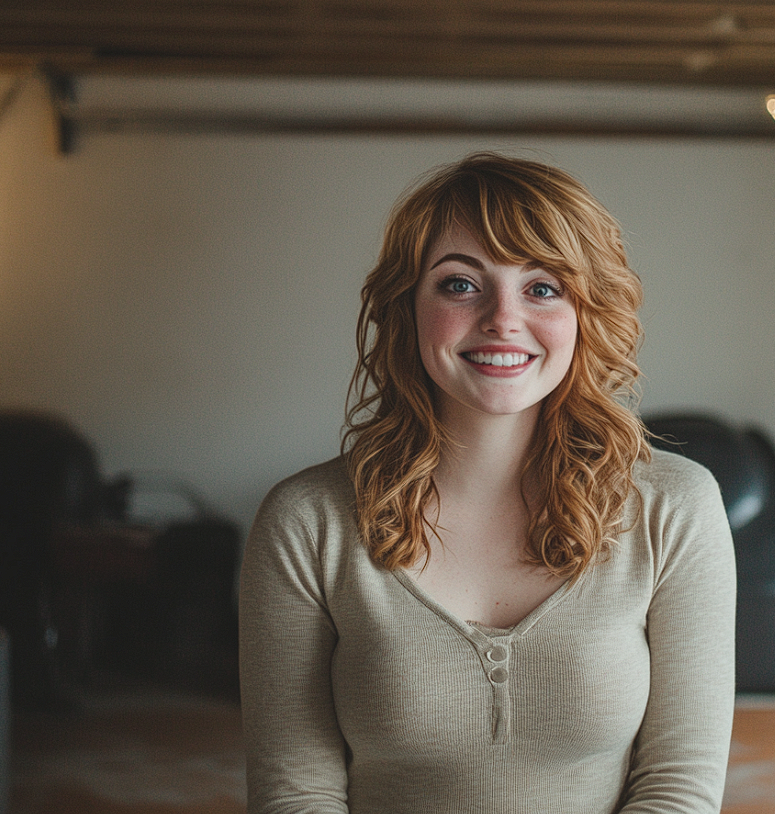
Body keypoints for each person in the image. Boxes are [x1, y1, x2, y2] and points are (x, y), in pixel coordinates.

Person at [239, 152, 736, 813]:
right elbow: (294, 792)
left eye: (542, 288)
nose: (503, 318)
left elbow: (678, 788)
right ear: (405, 307)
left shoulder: (675, 507)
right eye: (459, 285)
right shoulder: (307, 521)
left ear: (585, 313)